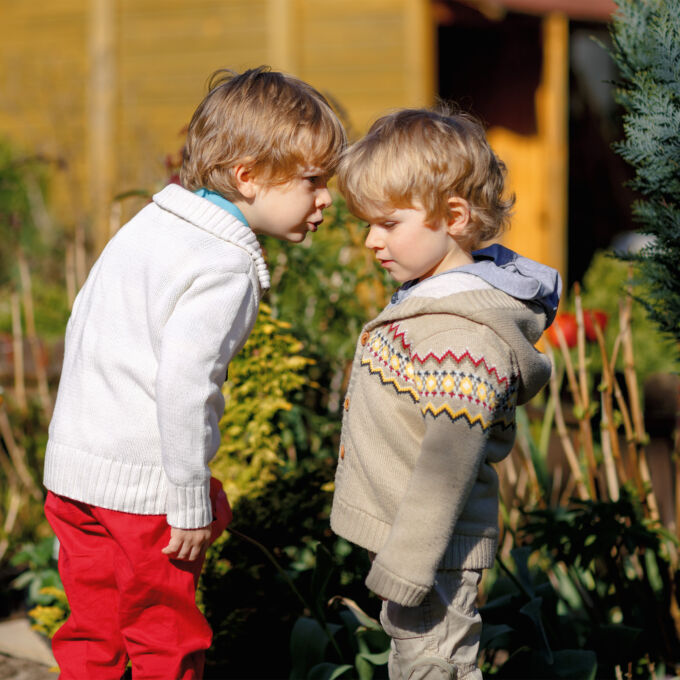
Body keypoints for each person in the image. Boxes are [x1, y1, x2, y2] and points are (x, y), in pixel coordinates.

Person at [43, 66, 346, 680]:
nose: (327, 199)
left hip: (73, 476)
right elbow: (184, 385)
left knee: (92, 636)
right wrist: (186, 500)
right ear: (248, 176)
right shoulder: (223, 265)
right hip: (144, 490)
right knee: (165, 638)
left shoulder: (150, 226)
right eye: (313, 180)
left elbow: (84, 323)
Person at [330, 107, 561, 680]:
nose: (369, 240)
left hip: (431, 554)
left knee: (433, 667)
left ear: (453, 216)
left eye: (387, 223)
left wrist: (406, 567)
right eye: (367, 223)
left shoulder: (460, 336)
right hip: (415, 543)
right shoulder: (429, 299)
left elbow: (447, 467)